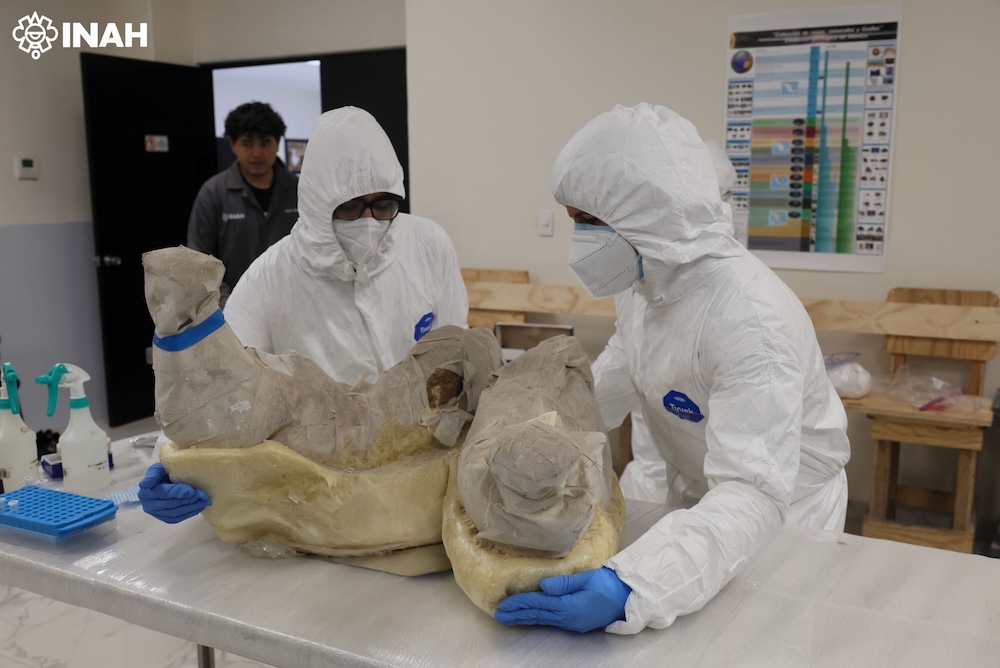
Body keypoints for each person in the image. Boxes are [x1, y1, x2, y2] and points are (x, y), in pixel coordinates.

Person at [493, 103, 850, 634]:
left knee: (764, 642)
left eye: (589, 222)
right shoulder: (645, 282)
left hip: (784, 519)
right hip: (702, 504)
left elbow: (753, 491)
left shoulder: (751, 321)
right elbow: (618, 374)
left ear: (648, 216)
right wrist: (538, 428)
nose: (580, 241)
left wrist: (636, 585)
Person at [140, 106, 470, 523]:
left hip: (424, 468)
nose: (369, 221)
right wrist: (170, 460)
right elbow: (216, 385)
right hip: (320, 487)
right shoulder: (270, 278)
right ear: (317, 204)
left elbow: (457, 356)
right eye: (351, 207)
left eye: (383, 204)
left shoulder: (428, 246)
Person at [186, 101, 299, 304]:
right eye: (247, 144)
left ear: (277, 143)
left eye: (265, 143)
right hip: (231, 308)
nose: (257, 153)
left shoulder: (299, 190)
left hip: (291, 304)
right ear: (233, 144)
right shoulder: (213, 193)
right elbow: (199, 262)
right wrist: (231, 308)